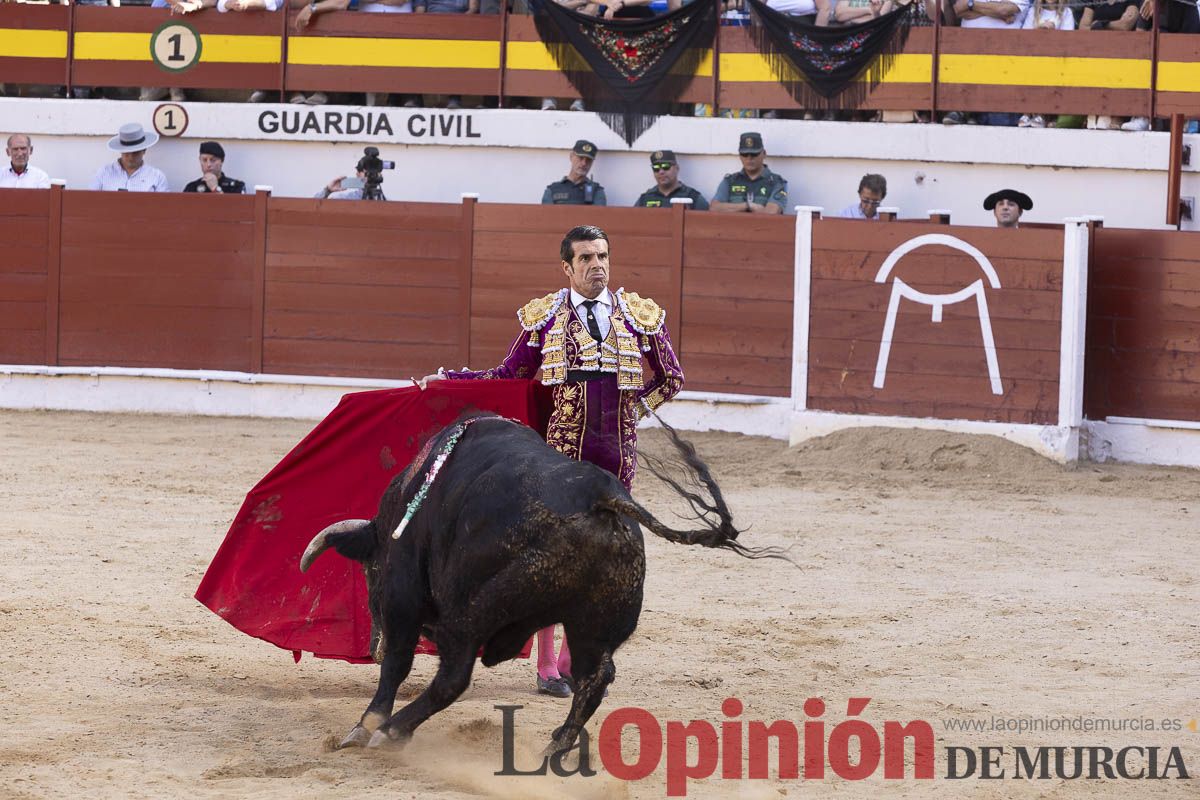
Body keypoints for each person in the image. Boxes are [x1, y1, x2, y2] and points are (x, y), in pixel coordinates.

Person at [420, 225, 683, 698]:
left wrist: (634, 409)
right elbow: (507, 376)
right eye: (585, 258)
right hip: (560, 452)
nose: (597, 265)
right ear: (567, 267)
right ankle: (546, 665)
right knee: (550, 552)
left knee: (604, 552)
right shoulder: (544, 318)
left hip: (617, 456)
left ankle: (572, 657)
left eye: (602, 255)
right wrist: (450, 381)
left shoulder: (640, 316)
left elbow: (671, 377)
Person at [710, 132, 789, 214]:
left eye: (754, 154)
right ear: (740, 156)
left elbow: (771, 212)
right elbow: (714, 208)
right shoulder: (730, 181)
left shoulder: (778, 183)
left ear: (764, 154)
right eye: (745, 154)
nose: (749, 158)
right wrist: (747, 206)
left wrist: (733, 208)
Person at [89, 123, 169, 193]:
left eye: (135, 152)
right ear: (121, 151)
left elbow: (164, 206)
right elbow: (90, 201)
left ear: (144, 150)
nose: (131, 157)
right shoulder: (104, 173)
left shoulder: (157, 177)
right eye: (127, 152)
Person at [633, 150, 709, 211]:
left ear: (677, 168)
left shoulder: (692, 197)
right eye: (656, 168)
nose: (661, 172)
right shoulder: (645, 199)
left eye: (666, 166)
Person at [541, 140, 607, 205]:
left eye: (588, 160)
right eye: (581, 158)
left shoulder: (596, 191)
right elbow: (546, 215)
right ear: (571, 156)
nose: (584, 163)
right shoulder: (552, 190)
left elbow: (598, 215)